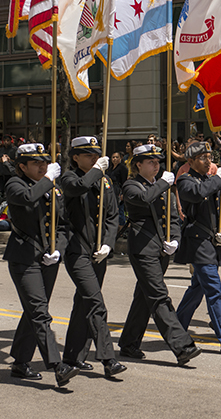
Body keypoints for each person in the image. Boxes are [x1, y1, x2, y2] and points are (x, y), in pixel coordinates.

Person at [3, 143, 80, 387]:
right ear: (22, 166)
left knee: (34, 311)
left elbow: (63, 225)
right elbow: (27, 198)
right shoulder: (15, 185)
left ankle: (20, 362)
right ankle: (57, 366)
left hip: (49, 257)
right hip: (24, 257)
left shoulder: (53, 189)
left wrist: (58, 248)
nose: (42, 166)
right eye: (36, 163)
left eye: (44, 162)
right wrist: (47, 179)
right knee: (39, 312)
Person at [118, 144, 202, 365]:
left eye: (158, 162)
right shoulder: (131, 185)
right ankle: (182, 346)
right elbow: (145, 198)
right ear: (138, 164)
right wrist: (165, 183)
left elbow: (173, 217)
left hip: (162, 249)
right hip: (143, 249)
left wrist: (175, 238)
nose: (156, 165)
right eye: (150, 162)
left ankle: (129, 343)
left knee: (144, 298)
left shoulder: (163, 187)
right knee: (159, 296)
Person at [60, 136, 127, 378]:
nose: (94, 158)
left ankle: (73, 357)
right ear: (75, 157)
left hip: (99, 252)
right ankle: (109, 358)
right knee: (95, 302)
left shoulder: (106, 181)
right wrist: (96, 172)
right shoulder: (69, 177)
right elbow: (76, 189)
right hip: (77, 251)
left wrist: (109, 244)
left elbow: (111, 216)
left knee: (84, 303)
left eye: (97, 154)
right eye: (88, 155)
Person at [174, 142, 221, 356]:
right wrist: (217, 179)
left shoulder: (213, 181)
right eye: (203, 158)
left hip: (212, 244)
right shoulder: (186, 181)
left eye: (210, 157)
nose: (208, 162)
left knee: (197, 290)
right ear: (191, 161)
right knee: (214, 291)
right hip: (197, 243)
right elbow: (197, 194)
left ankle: (176, 328)